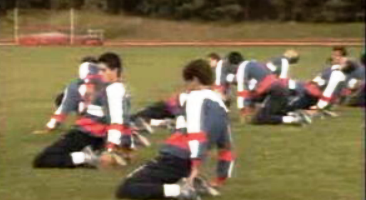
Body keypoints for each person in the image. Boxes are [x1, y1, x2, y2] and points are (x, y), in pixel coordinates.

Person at [115, 59, 234, 200]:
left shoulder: (195, 98)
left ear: (195, 79)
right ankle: (186, 186)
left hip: (175, 158)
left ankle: (183, 189)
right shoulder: (221, 106)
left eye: (187, 83)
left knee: (126, 189)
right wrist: (221, 176)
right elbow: (226, 146)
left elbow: (197, 134)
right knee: (158, 192)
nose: (187, 87)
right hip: (184, 163)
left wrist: (195, 166)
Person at [33, 52, 134, 168]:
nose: (100, 73)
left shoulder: (111, 89)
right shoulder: (120, 88)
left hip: (88, 134)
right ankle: (91, 156)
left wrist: (111, 149)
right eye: (99, 70)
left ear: (115, 70)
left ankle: (88, 157)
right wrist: (127, 145)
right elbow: (124, 120)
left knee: (43, 159)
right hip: (98, 137)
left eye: (103, 70)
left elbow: (116, 122)